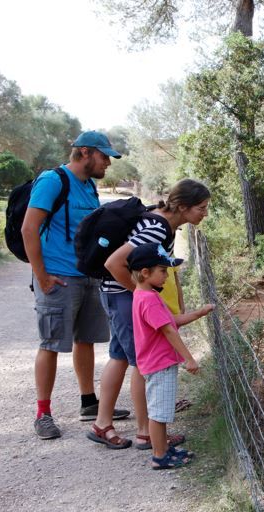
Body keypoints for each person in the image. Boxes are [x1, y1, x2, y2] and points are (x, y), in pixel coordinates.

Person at [21, 131, 129, 441]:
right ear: (84, 153)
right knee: (51, 344)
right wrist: (41, 275)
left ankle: (88, 403)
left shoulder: (89, 185)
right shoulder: (53, 181)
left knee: (86, 340)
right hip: (57, 277)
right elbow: (29, 229)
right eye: (103, 155)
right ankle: (43, 413)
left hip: (88, 275)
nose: (107, 162)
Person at [89, 179, 211, 450]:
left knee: (120, 356)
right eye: (201, 208)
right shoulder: (157, 228)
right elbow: (114, 262)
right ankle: (146, 431)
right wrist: (140, 294)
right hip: (121, 294)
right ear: (182, 206)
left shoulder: (162, 223)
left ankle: (102, 423)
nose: (205, 213)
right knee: (142, 363)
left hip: (117, 294)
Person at [127, 243, 213, 469]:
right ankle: (159, 456)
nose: (168, 276)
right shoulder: (149, 299)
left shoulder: (143, 294)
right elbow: (168, 330)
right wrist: (189, 359)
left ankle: (163, 448)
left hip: (156, 362)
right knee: (158, 413)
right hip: (160, 364)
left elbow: (171, 321)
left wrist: (198, 313)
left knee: (161, 410)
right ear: (145, 273)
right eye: (163, 271)